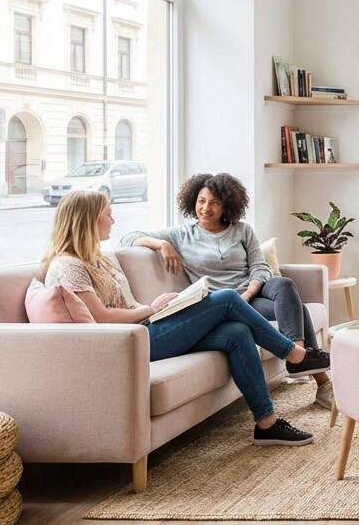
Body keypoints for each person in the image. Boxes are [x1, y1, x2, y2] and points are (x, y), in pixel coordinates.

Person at [42, 190, 324, 445]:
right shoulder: (68, 266)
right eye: (107, 215)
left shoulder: (100, 258)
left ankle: (267, 424)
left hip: (145, 327)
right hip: (132, 341)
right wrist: (151, 309)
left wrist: (161, 307)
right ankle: (295, 354)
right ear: (87, 220)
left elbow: (123, 305)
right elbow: (103, 319)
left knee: (237, 332)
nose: (112, 220)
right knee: (226, 299)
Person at [121, 172, 335, 409]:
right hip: (223, 305)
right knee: (300, 309)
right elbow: (129, 237)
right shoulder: (182, 235)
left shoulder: (242, 230)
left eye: (214, 202)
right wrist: (162, 244)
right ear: (193, 201)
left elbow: (260, 267)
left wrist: (248, 293)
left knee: (285, 286)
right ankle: (318, 378)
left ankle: (298, 356)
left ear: (227, 205)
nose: (206, 208)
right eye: (201, 201)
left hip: (252, 294)